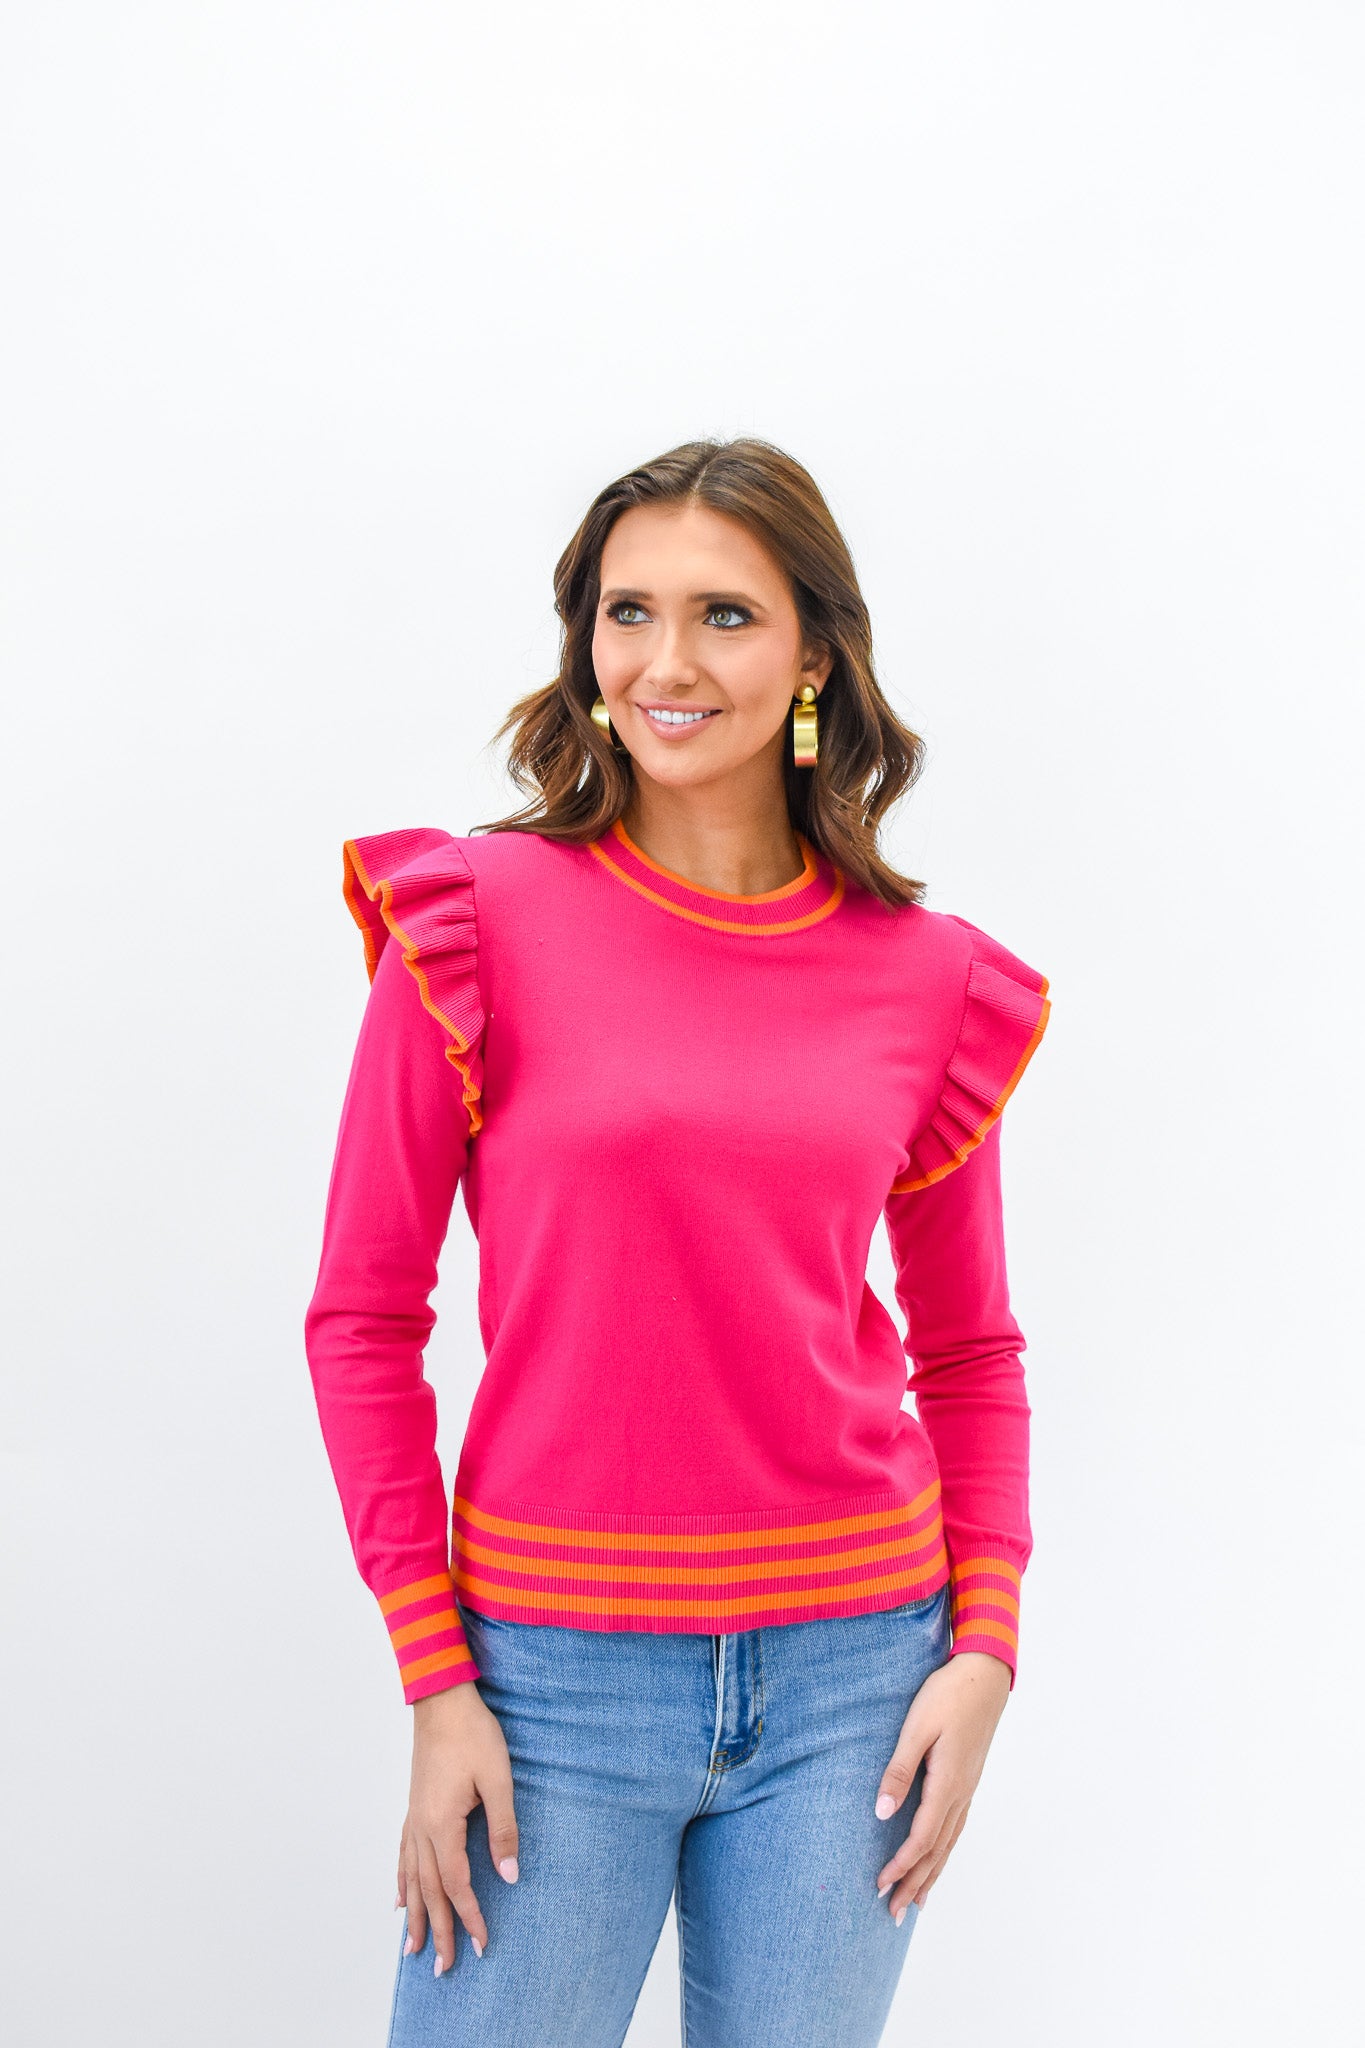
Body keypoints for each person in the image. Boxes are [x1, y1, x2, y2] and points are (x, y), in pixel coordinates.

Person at [303, 436, 1052, 2047]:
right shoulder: (475, 919)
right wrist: (437, 1680)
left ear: (812, 658)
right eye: (625, 612)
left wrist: (984, 1647)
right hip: (547, 1681)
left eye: (724, 615)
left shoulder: (928, 980)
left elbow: (968, 1351)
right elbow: (361, 1316)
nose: (663, 662)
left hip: (857, 1681)